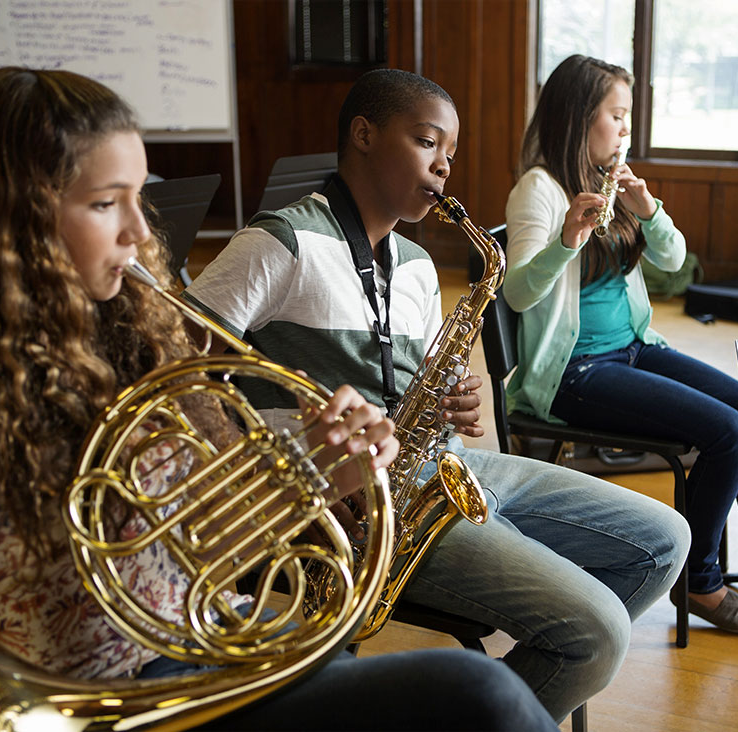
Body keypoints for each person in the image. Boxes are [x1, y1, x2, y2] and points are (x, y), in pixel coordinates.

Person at [0, 66, 559, 732]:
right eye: (107, 204)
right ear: (13, 216)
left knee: (477, 694)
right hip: (99, 695)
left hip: (199, 649)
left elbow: (213, 537)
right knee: (479, 692)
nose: (141, 231)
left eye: (140, 197)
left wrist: (323, 473)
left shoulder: (138, 333)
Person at [183, 68, 691, 722]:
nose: (443, 167)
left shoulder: (417, 264)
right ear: (363, 135)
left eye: (450, 155)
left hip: (439, 470)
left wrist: (452, 400)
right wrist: (273, 457)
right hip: (353, 506)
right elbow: (172, 364)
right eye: (427, 143)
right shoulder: (281, 241)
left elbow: (424, 384)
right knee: (597, 632)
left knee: (664, 539)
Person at [503, 55, 738, 635]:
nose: (627, 128)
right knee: (728, 434)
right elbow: (517, 295)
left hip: (631, 347)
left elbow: (674, 260)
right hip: (573, 372)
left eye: (628, 115)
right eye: (617, 115)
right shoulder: (539, 189)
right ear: (581, 117)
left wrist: (648, 211)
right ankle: (699, 580)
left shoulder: (615, 181)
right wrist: (565, 241)